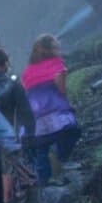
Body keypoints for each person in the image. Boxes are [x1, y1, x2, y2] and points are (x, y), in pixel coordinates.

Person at [21, 35, 80, 185]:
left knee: (41, 146)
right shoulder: (56, 64)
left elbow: (26, 90)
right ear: (49, 50)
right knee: (72, 131)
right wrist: (68, 104)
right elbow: (60, 87)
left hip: (35, 113)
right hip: (54, 107)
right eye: (56, 47)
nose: (59, 50)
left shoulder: (28, 71)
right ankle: (61, 157)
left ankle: (44, 182)